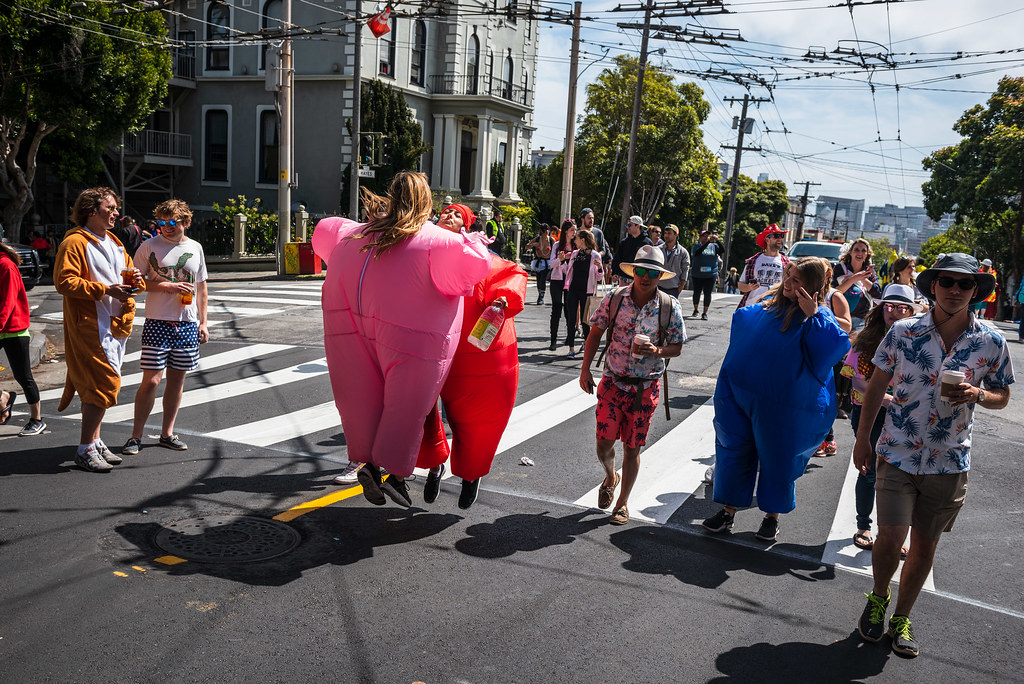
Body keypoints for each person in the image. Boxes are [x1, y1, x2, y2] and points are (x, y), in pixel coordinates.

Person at [853, 253, 1012, 658]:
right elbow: (876, 384)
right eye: (947, 282)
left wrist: (978, 394)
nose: (955, 290)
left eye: (964, 284)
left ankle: (902, 616)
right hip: (898, 451)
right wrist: (862, 437)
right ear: (933, 287)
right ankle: (877, 598)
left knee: (925, 546)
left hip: (949, 459)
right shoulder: (904, 331)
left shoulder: (991, 341)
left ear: (975, 291)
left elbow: (1002, 395)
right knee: (889, 537)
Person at [311, 172, 492, 507]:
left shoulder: (354, 234)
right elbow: (474, 267)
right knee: (406, 404)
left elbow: (323, 236)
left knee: (359, 396)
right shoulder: (437, 240)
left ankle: (367, 460)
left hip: (349, 324)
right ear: (427, 201)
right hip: (413, 334)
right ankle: (392, 472)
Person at [702, 257, 849, 541]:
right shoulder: (770, 305)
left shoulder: (818, 317)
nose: (788, 284)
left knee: (778, 458)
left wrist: (813, 314)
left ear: (813, 287)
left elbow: (833, 350)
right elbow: (744, 324)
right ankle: (728, 511)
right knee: (734, 450)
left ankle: (771, 517)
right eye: (788, 276)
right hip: (740, 398)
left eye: (797, 281)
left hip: (785, 407)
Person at [417, 205, 528, 509]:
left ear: (467, 225)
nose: (448, 216)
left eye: (456, 214)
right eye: (444, 212)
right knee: (419, 409)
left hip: (469, 348)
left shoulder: (479, 256)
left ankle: (470, 473)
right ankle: (434, 463)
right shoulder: (421, 251)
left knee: (474, 416)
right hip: (427, 345)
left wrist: (503, 296)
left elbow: (511, 273)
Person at [579, 245, 686, 525]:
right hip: (613, 382)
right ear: (633, 272)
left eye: (652, 272)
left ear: (660, 276)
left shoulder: (669, 306)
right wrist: (585, 369)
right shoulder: (615, 298)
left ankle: (623, 504)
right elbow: (595, 332)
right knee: (604, 445)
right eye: (641, 271)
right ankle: (610, 476)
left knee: (632, 447)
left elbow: (677, 347)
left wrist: (658, 352)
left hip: (645, 388)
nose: (645, 277)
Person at [54, 187, 143, 472]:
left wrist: (135, 281)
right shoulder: (75, 243)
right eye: (111, 208)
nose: (116, 213)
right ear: (92, 210)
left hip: (116, 325)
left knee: (97, 387)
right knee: (104, 386)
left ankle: (94, 440)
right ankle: (84, 448)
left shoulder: (115, 241)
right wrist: (106, 289)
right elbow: (64, 282)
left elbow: (129, 277)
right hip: (91, 325)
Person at [121, 199, 209, 456]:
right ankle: (135, 436)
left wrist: (203, 322)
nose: (167, 228)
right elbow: (134, 283)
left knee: (176, 381)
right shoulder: (149, 246)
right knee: (151, 380)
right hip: (157, 320)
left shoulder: (195, 248)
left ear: (185, 222)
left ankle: (167, 434)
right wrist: (167, 286)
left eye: (172, 222)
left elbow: (201, 288)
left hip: (187, 322)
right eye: (162, 223)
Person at [840, 284, 922, 551]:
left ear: (911, 312)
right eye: (889, 306)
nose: (894, 312)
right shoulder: (865, 339)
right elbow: (859, 384)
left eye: (902, 308)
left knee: (901, 477)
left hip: (905, 418)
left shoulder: (920, 341)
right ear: (880, 309)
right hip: (870, 414)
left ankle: (893, 534)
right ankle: (863, 525)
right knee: (870, 473)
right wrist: (889, 399)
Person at [0, 242, 46, 435]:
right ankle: (4, 398)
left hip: (13, 329)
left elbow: (7, 302)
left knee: (23, 376)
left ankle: (37, 419)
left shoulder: (5, 265)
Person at [562, 229, 604, 359]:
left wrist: (600, 267)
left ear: (583, 240)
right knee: (571, 319)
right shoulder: (575, 254)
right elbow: (567, 271)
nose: (575, 240)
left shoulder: (595, 255)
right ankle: (571, 349)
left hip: (587, 291)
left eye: (576, 238)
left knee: (585, 321)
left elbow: (598, 277)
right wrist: (563, 261)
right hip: (573, 289)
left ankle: (587, 345)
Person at [833, 237, 881, 331]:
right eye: (856, 250)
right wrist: (855, 278)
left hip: (861, 319)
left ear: (867, 255)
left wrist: (862, 278)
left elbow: (877, 293)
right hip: (840, 317)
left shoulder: (870, 272)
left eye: (863, 251)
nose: (860, 253)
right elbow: (834, 292)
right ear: (850, 252)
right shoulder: (840, 268)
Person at [737, 224, 789, 308]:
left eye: (781, 236)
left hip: (775, 307)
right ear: (767, 240)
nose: (780, 239)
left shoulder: (787, 263)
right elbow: (740, 285)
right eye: (776, 236)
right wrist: (749, 287)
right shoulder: (753, 261)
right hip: (753, 307)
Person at [548, 219, 576, 351]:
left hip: (570, 281)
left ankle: (569, 338)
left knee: (569, 310)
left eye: (575, 230)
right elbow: (552, 264)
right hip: (557, 280)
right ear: (565, 231)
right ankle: (553, 339)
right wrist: (561, 259)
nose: (574, 233)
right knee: (557, 306)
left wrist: (569, 259)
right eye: (572, 230)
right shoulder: (557, 246)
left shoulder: (577, 246)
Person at [690, 229, 723, 320]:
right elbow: (699, 252)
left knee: (707, 293)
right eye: (704, 236)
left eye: (707, 236)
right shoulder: (696, 246)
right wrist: (708, 242)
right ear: (700, 238)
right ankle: (696, 309)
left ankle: (705, 313)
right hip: (697, 274)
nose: (706, 237)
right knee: (697, 292)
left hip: (710, 274)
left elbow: (722, 250)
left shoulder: (714, 246)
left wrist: (717, 240)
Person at [611, 216, 653, 286]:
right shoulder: (624, 242)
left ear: (638, 226)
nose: (627, 227)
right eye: (627, 225)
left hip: (640, 278)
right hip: (623, 278)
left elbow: (650, 262)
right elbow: (617, 258)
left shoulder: (647, 243)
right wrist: (615, 272)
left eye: (630, 225)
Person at [657, 224, 690, 298]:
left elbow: (685, 270)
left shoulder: (683, 252)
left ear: (676, 235)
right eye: (665, 233)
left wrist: (681, 287)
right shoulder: (658, 249)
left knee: (670, 309)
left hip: (673, 288)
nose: (666, 235)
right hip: (658, 287)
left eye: (669, 233)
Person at [525, 224, 553, 305]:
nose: (546, 233)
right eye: (544, 231)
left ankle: (541, 296)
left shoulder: (551, 240)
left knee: (543, 279)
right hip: (539, 262)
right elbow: (526, 246)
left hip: (547, 262)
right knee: (539, 280)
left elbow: (555, 249)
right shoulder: (537, 239)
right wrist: (533, 245)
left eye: (547, 230)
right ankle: (540, 293)